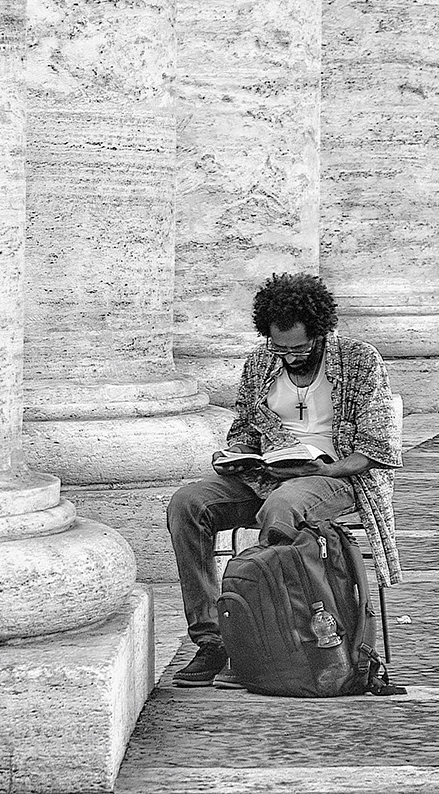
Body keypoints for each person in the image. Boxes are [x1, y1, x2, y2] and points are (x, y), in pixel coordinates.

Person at [167, 272, 402, 688]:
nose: (290, 357)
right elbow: (244, 427)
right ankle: (213, 641)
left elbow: (377, 449)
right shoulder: (261, 362)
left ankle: (271, 645)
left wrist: (322, 469)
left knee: (283, 507)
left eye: (300, 348)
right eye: (280, 348)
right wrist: (238, 456)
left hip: (334, 477)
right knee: (188, 504)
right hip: (267, 474)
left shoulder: (360, 360)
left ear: (321, 332)